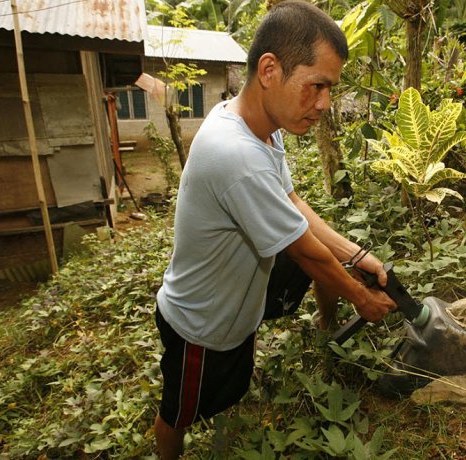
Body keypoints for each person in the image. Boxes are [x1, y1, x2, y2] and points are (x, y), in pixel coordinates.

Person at [152, 2, 397, 458]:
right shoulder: (234, 153)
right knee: (178, 414)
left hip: (239, 298)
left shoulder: (261, 126)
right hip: (201, 324)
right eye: (316, 86)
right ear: (269, 69)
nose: (324, 103)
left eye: (330, 88)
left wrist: (358, 256)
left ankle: (323, 328)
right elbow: (305, 251)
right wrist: (361, 298)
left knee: (306, 271)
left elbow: (291, 203)